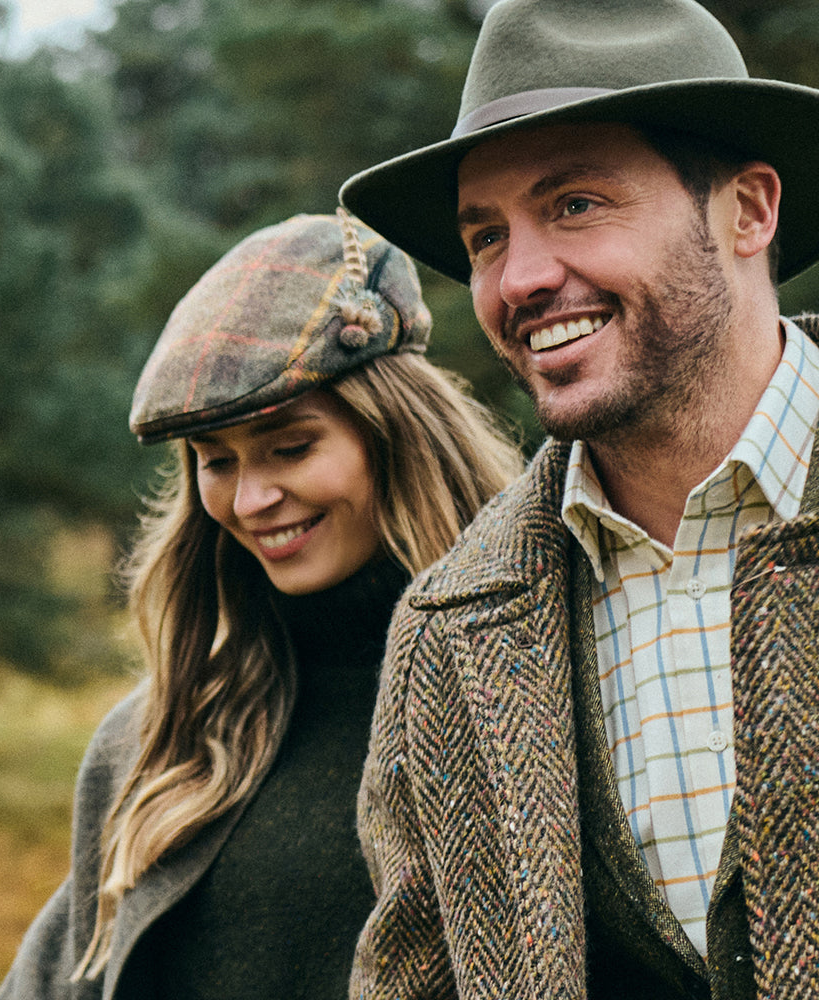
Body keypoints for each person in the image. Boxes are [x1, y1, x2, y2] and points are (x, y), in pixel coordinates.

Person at [337, 0, 819, 997]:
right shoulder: (448, 631)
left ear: (748, 210)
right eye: (482, 237)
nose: (519, 278)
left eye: (575, 205)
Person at [0, 210, 522, 1000]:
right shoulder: (163, 734)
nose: (252, 498)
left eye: (291, 447)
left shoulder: (534, 688)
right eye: (215, 461)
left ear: (400, 435)